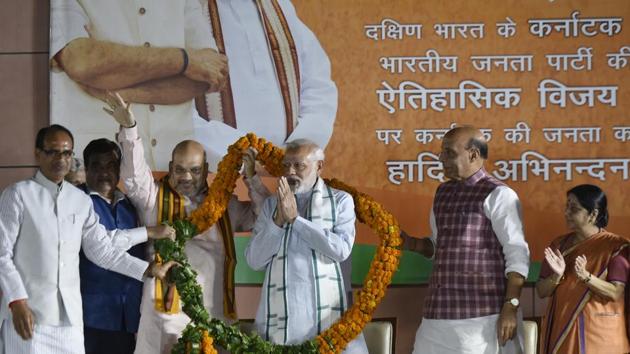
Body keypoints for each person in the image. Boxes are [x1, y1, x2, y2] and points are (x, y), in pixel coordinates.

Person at [102, 93, 265, 354]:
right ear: (170, 167)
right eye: (179, 169)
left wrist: (252, 179)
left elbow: (263, 219)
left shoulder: (223, 204)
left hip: (216, 314)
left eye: (195, 170)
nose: (186, 177)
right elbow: (134, 177)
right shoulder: (153, 198)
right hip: (164, 315)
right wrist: (130, 130)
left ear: (207, 169)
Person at [0, 124, 176, 354]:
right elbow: (3, 254)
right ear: (38, 153)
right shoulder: (18, 195)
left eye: (66, 152)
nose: (60, 159)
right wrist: (17, 302)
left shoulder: (79, 200)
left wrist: (149, 270)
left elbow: (102, 251)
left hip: (71, 320)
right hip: (29, 315)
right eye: (52, 151)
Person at [50, 0, 228, 170]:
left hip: (174, 167)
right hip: (101, 168)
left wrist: (118, 90)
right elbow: (80, 60)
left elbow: (209, 73)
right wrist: (184, 61)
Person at [401, 126, 530, 354]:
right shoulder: (442, 193)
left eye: (449, 153)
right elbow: (438, 246)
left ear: (473, 154)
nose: (442, 159)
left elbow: (517, 255)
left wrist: (511, 306)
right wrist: (410, 243)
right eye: (442, 153)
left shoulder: (499, 194)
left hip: (481, 318)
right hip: (437, 314)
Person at [245, 139, 367, 353]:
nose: (290, 172)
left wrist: (296, 220)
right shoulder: (272, 205)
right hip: (281, 319)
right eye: (286, 166)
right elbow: (254, 261)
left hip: (327, 318)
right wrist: (278, 223)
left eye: (299, 166)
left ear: (319, 166)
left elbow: (340, 250)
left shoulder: (340, 201)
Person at [194, 0, 338, 170]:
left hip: (287, 176)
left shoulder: (280, 6)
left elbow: (318, 86)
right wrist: (250, 161)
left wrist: (296, 151)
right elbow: (175, 115)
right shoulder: (183, 11)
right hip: (215, 175)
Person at [79, 138, 177, 354]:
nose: (104, 172)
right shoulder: (78, 202)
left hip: (129, 313)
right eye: (97, 166)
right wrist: (150, 231)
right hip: (94, 315)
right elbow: (103, 246)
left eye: (111, 166)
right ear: (86, 169)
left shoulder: (129, 204)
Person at [537, 184, 630, 354]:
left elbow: (616, 292)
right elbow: (541, 291)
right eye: (567, 207)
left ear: (593, 214)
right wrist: (556, 277)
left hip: (601, 335)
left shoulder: (615, 246)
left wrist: (587, 277)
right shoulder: (558, 245)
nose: (566, 213)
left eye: (574, 208)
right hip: (562, 331)